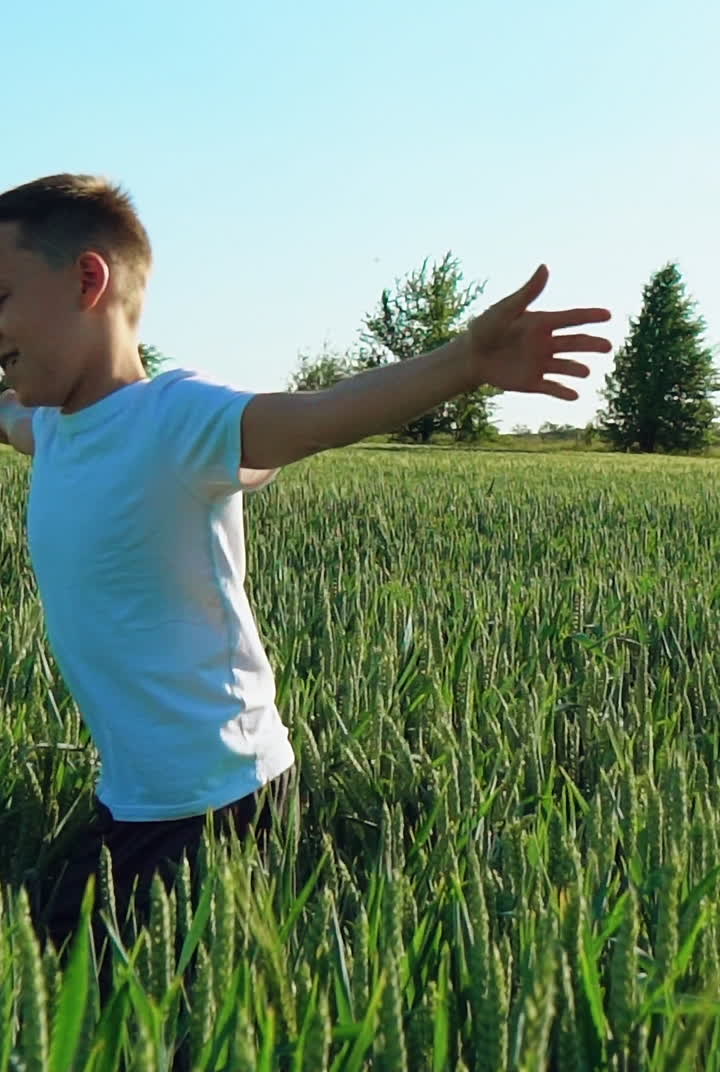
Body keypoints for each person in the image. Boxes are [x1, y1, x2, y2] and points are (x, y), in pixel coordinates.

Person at [0, 173, 612, 954]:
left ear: (89, 279)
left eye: (2, 297)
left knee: (130, 1006)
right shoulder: (51, 429)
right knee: (57, 979)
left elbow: (318, 417)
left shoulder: (175, 418)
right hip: (133, 799)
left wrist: (464, 361)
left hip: (218, 803)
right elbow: (7, 417)